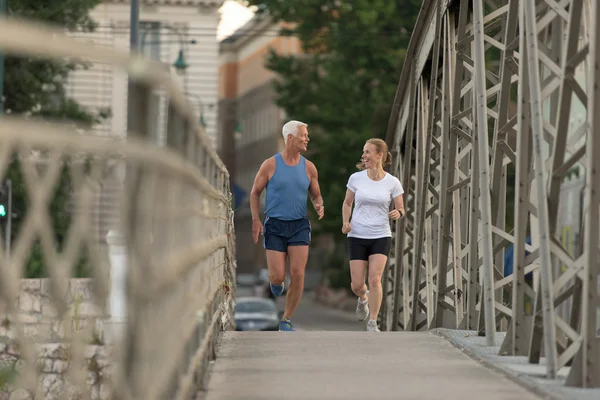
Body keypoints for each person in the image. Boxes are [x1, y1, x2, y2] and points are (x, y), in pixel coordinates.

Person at [250, 120, 324, 331]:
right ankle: (276, 283)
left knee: (298, 273)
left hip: (299, 226)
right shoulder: (270, 165)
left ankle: (286, 319)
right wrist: (256, 219)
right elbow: (255, 192)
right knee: (277, 277)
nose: (307, 139)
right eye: (303, 135)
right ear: (290, 137)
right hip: (274, 226)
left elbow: (316, 194)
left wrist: (319, 204)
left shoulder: (309, 167)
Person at [341, 138, 405, 332]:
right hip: (358, 234)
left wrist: (398, 213)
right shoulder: (356, 178)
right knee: (357, 284)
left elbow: (401, 208)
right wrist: (345, 222)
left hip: (380, 234)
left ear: (380, 155)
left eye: (368, 152)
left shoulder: (392, 182)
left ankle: (373, 323)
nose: (364, 156)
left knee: (375, 279)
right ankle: (363, 298)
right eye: (364, 152)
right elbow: (347, 203)